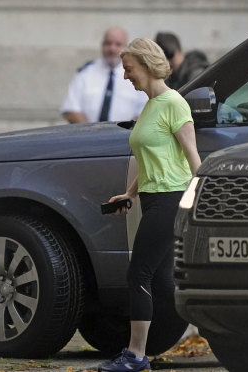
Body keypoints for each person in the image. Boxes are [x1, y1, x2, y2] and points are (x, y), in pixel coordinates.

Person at [97, 38, 201, 372]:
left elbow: (192, 158)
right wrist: (130, 193)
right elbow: (149, 161)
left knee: (138, 272)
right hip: (153, 198)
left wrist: (204, 199)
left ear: (146, 64)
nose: (126, 75)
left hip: (171, 200)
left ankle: (136, 355)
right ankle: (230, 331)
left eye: (129, 68)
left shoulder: (174, 103)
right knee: (162, 282)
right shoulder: (150, 106)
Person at [60, 27, 148, 123]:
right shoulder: (85, 73)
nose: (112, 48)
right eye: (108, 43)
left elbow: (145, 112)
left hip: (126, 137)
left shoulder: (138, 76)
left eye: (118, 44)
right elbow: (71, 108)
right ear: (102, 45)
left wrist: (124, 133)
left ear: (127, 48)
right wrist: (91, 133)